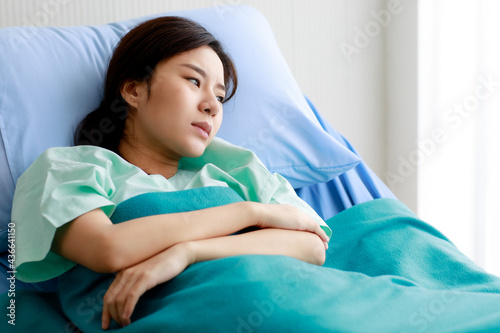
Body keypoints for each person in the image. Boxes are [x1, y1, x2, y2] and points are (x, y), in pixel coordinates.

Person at [11, 16, 331, 330]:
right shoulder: (72, 169)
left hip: (289, 300)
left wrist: (187, 253)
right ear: (134, 90)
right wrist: (251, 212)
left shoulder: (236, 169)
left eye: (220, 96)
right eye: (194, 81)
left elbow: (312, 247)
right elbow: (109, 248)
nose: (213, 106)